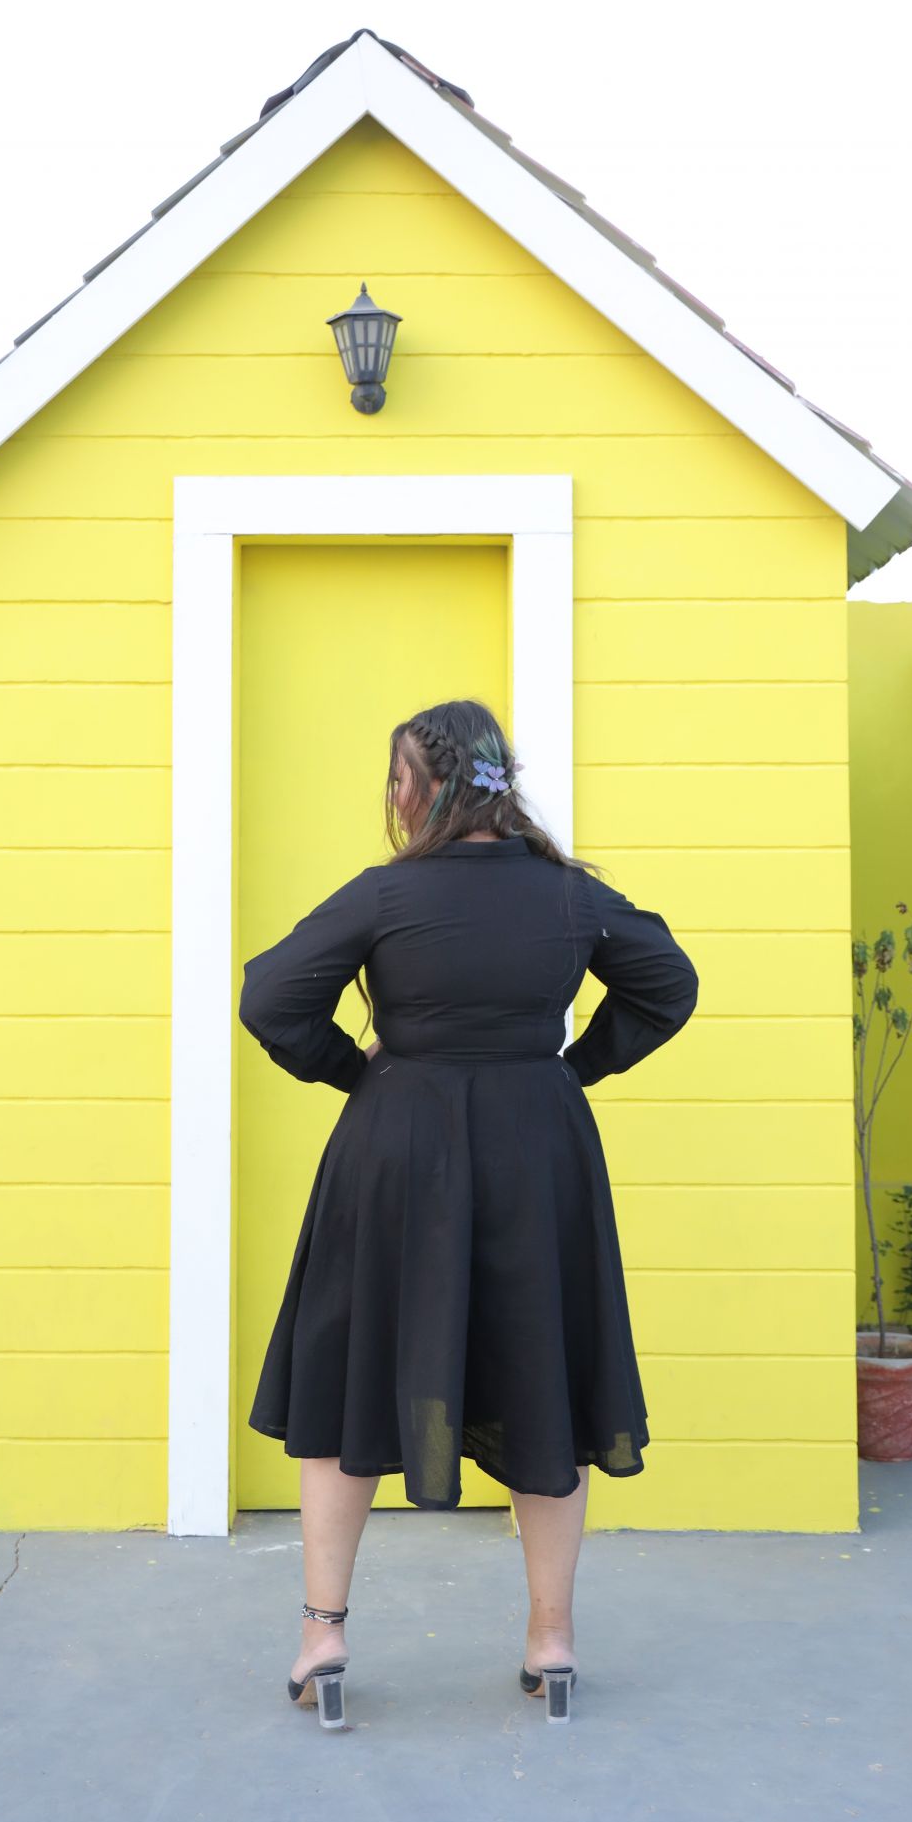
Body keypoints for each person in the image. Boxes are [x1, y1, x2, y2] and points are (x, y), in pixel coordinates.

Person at [238, 698, 699, 1727]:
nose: (392, 796)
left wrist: (354, 1070)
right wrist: (571, 1066)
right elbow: (668, 983)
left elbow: (270, 996)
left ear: (422, 786)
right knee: (546, 1376)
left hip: (396, 1145)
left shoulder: (385, 895)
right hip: (538, 1147)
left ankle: (322, 1636)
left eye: (396, 778)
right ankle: (552, 1640)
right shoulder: (568, 895)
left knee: (352, 1374)